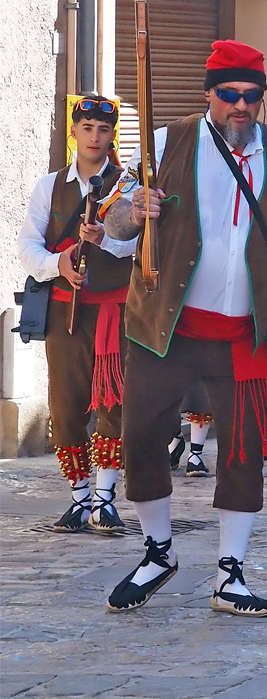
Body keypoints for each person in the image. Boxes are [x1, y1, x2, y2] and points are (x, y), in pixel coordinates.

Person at [102, 39, 267, 616]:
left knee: (242, 450)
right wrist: (134, 211)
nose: (241, 105)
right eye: (230, 94)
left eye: (252, 96)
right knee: (139, 433)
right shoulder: (167, 142)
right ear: (209, 94)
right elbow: (113, 227)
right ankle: (157, 550)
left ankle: (229, 573)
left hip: (246, 329)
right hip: (167, 325)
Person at [17, 94, 137, 535]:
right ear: (73, 133)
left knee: (115, 406)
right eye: (87, 128)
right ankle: (79, 497)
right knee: (66, 407)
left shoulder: (127, 187)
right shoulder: (49, 186)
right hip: (64, 314)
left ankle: (105, 499)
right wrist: (59, 264)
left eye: (103, 130)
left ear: (112, 136)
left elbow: (138, 248)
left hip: (115, 313)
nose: (95, 137)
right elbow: (28, 249)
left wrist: (105, 238)